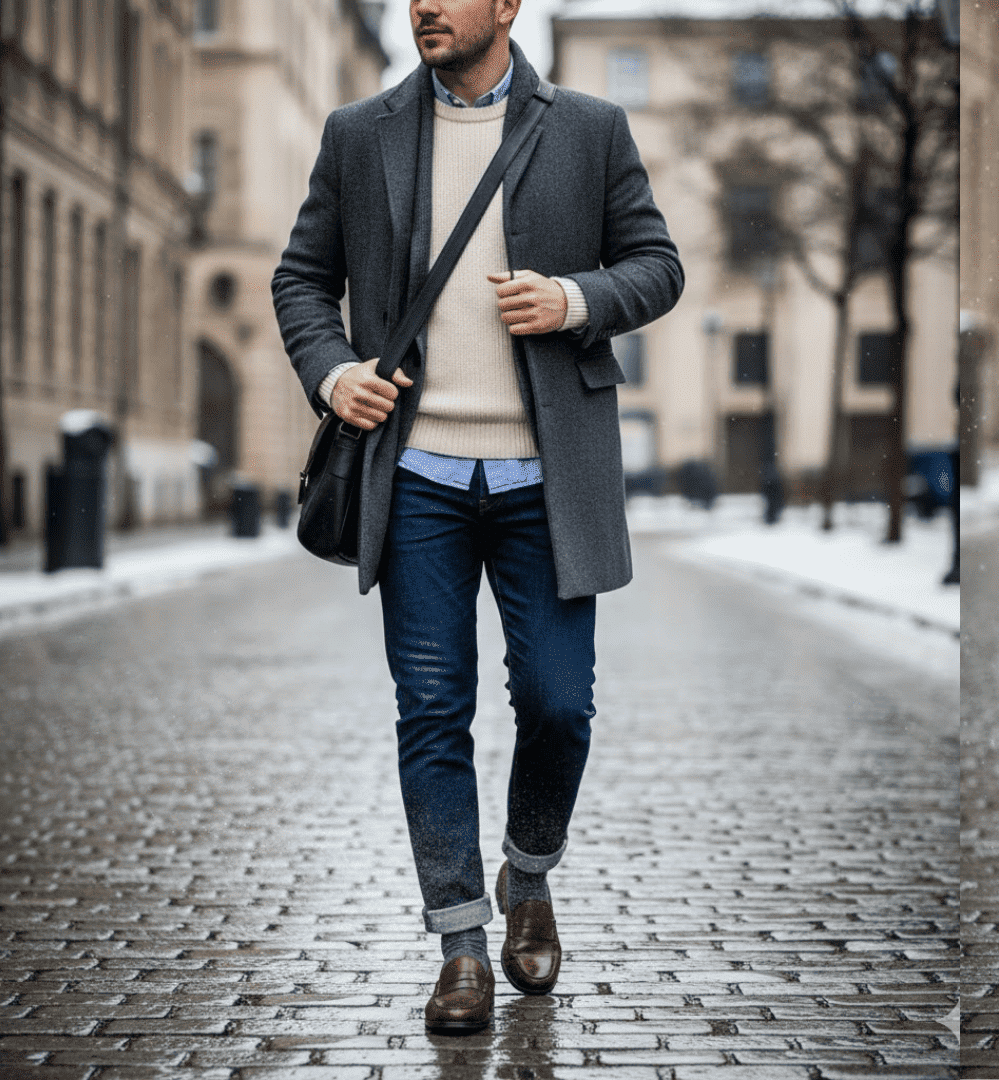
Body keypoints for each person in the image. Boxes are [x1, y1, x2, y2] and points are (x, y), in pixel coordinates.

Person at [272, 0, 682, 1034]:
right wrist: (334, 376)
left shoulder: (590, 129)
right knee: (432, 709)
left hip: (548, 478)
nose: (424, 6)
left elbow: (658, 266)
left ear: (506, 4)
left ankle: (528, 871)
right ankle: (460, 944)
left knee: (557, 704)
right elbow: (302, 281)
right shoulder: (357, 133)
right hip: (415, 478)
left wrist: (575, 298)